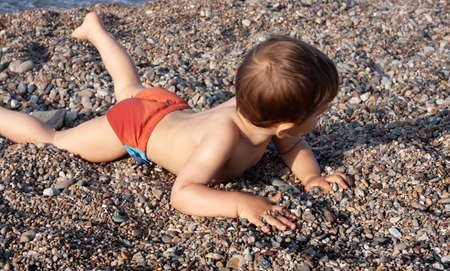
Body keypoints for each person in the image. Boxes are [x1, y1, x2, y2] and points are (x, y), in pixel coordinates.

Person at [0, 12, 350, 233]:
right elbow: (183, 194)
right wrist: (242, 204)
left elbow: (293, 145)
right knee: (53, 138)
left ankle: (95, 31)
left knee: (128, 86)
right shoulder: (223, 137)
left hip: (167, 106)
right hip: (136, 127)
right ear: (285, 124)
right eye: (320, 113)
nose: (322, 118)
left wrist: (311, 177)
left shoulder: (261, 117)